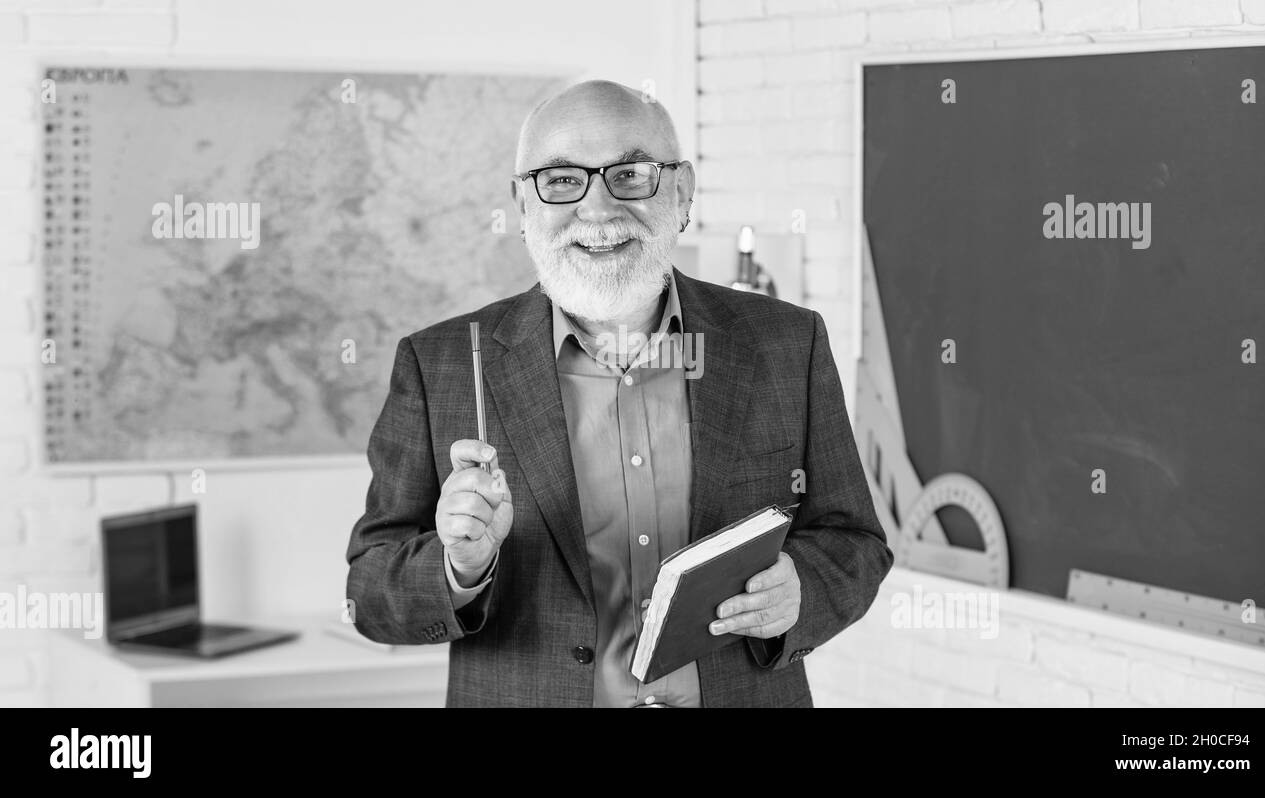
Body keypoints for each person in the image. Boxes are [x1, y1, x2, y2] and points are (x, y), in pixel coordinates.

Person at [345, 80, 892, 707]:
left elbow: (855, 542)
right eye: (560, 179)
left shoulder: (787, 343)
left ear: (681, 192)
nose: (599, 210)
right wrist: (460, 568)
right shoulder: (437, 362)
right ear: (523, 203)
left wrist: (802, 589)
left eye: (631, 174)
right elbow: (369, 593)